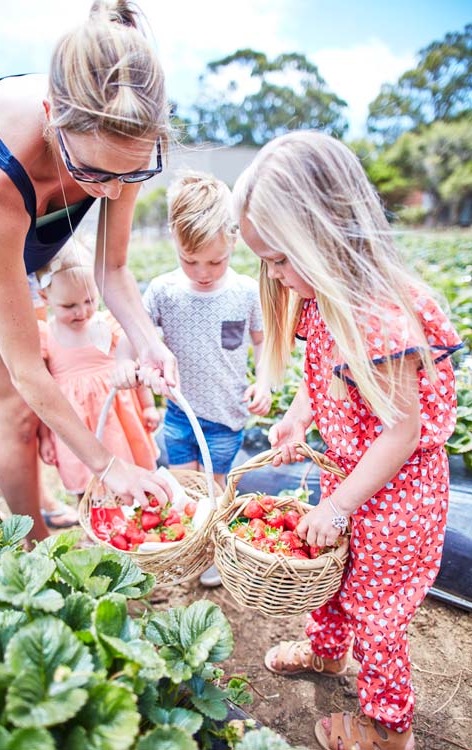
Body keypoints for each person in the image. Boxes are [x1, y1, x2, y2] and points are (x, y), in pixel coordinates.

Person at [233, 130, 463, 750]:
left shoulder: (381, 317)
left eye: (281, 258)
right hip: (351, 479)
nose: (276, 277)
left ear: (325, 231)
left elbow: (401, 430)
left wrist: (338, 504)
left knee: (377, 609)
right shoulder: (326, 299)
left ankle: (389, 727)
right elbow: (325, 376)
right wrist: (297, 417)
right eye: (268, 263)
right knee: (336, 575)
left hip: (395, 497)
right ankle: (329, 652)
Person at [0, 0, 177, 541]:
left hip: (28, 248)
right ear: (51, 114)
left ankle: (36, 505)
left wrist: (147, 339)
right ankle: (33, 548)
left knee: (45, 403)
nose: (112, 192)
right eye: (94, 174)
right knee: (15, 409)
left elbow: (113, 267)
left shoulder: (125, 135)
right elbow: (25, 369)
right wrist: (110, 466)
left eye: (129, 175)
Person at [114, 171, 272, 586]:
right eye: (191, 260)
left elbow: (263, 341)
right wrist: (125, 362)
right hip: (180, 414)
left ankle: (216, 549)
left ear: (234, 240)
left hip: (225, 415)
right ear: (174, 240)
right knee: (184, 488)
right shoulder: (164, 291)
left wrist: (265, 380)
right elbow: (133, 332)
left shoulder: (244, 291)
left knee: (216, 487)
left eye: (215, 261)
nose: (203, 272)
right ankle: (186, 548)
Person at [36, 238, 160, 496]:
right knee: (86, 482)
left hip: (119, 419)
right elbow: (43, 394)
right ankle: (95, 523)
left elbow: (134, 366)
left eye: (90, 300)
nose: (82, 312)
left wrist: (148, 405)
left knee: (134, 473)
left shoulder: (107, 326)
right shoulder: (46, 336)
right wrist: (45, 435)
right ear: (44, 296)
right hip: (77, 427)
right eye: (69, 306)